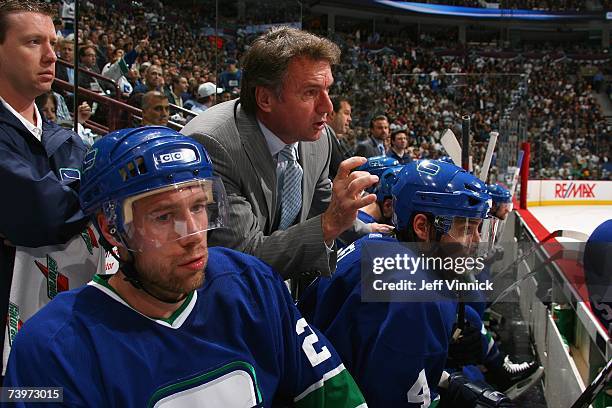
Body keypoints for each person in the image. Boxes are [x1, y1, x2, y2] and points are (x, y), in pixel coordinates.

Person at [4, 127, 367, 407]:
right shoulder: (49, 348)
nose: (194, 234)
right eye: (164, 217)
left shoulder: (252, 284)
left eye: (198, 207)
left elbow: (331, 393)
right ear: (110, 229)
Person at [301, 159, 518, 407]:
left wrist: (447, 380)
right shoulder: (419, 294)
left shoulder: (374, 242)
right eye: (467, 229)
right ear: (422, 226)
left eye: (480, 229)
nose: (476, 242)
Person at [180, 27, 378, 280]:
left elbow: (321, 201)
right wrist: (330, 225)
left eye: (327, 90)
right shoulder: (213, 146)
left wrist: (369, 231)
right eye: (310, 92)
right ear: (265, 99)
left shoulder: (318, 138)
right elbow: (244, 256)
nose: (327, 107)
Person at [0, 0, 101, 374]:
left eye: (53, 44)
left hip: (68, 333)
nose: (50, 56)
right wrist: (88, 209)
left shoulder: (67, 141)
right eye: (32, 42)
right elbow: (40, 214)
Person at [326, 97, 354, 179]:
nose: (350, 119)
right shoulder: (322, 139)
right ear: (332, 114)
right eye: (346, 113)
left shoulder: (339, 140)